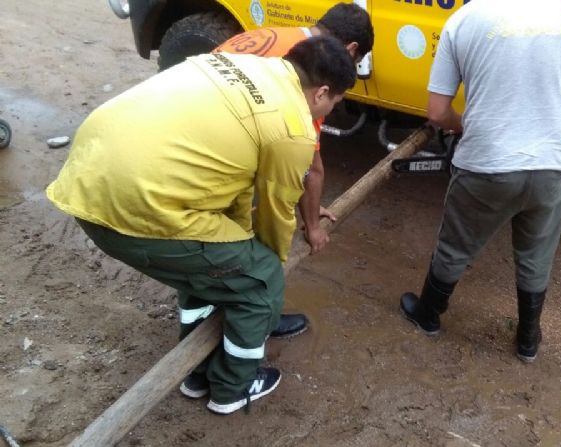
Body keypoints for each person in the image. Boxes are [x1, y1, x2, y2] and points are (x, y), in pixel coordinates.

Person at [46, 36, 356, 414]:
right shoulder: (292, 127)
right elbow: (276, 213)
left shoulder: (243, 64)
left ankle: (196, 371)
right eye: (334, 103)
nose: (328, 110)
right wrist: (267, 282)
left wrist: (235, 249)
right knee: (259, 280)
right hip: (131, 206)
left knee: (213, 266)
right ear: (322, 92)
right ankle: (231, 389)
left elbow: (238, 191)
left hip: (86, 176)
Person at [399, 0, 561, 362]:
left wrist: (464, 125)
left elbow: (436, 111)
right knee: (535, 256)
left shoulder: (464, 20)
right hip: (551, 168)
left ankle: (429, 316)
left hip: (485, 165)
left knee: (455, 247)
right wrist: (555, 135)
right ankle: (528, 340)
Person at [214, 2, 374, 339]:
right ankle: (256, 319)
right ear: (350, 50)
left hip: (196, 131)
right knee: (262, 242)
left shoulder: (282, 39)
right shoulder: (314, 72)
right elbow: (308, 167)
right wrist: (312, 226)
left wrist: (311, 206)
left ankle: (211, 313)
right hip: (218, 156)